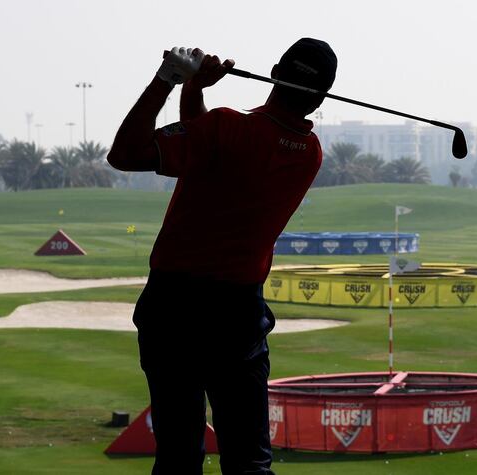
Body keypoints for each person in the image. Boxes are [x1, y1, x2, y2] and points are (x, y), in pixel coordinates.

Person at [107, 39, 338, 475]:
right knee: (249, 463)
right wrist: (194, 92)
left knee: (178, 457)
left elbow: (125, 154)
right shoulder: (309, 153)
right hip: (238, 316)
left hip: (174, 309)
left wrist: (169, 80)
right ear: (322, 96)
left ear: (274, 71)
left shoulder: (226, 128)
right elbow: (209, 148)